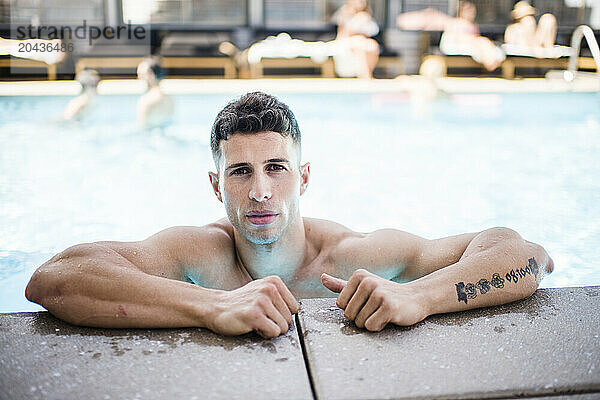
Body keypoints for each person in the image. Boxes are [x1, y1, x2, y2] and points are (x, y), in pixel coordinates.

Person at [26, 92, 554, 338]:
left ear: (303, 178)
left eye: (276, 168)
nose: (259, 192)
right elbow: (53, 278)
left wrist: (419, 296)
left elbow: (523, 254)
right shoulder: (199, 253)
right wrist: (211, 307)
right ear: (216, 185)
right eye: (240, 172)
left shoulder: (355, 255)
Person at [397, 1, 505, 71]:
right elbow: (456, 38)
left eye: (472, 11)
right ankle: (490, 62)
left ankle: (491, 62)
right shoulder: (455, 23)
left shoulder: (471, 25)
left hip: (471, 45)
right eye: (468, 11)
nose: (471, 13)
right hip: (458, 45)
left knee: (484, 43)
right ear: (461, 12)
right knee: (483, 42)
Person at [330, 0, 380, 79]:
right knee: (359, 46)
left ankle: (368, 74)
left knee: (372, 46)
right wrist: (356, 21)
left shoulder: (366, 15)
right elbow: (344, 34)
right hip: (346, 42)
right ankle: (365, 77)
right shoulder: (343, 13)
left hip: (362, 41)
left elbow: (371, 32)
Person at [136, 56, 173, 129]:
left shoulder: (146, 100)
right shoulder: (170, 99)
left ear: (151, 74)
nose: (139, 78)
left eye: (141, 74)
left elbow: (142, 126)